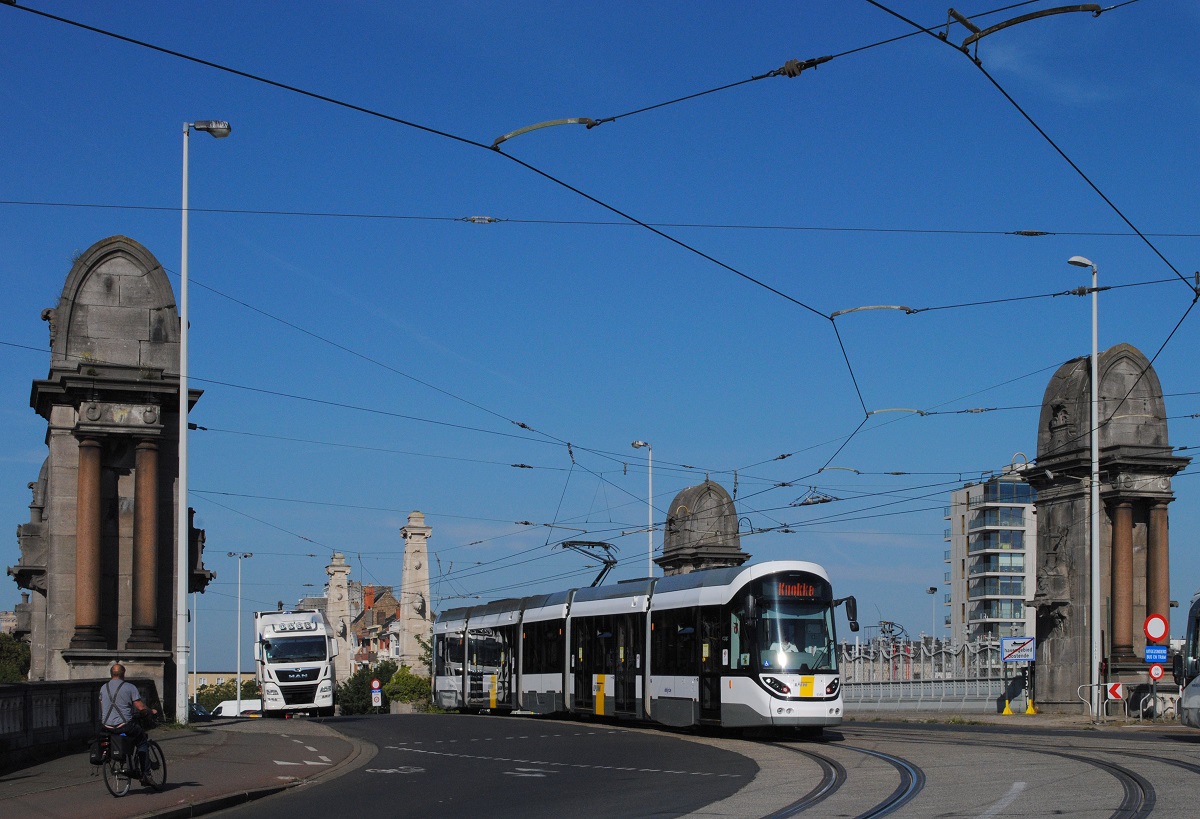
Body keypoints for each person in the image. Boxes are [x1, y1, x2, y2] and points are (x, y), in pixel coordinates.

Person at [99, 663, 158, 781]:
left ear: (111, 674)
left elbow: (102, 706)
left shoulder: (103, 688)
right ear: (123, 674)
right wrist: (151, 711)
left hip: (106, 726)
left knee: (124, 737)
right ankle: (146, 774)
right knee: (142, 741)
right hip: (123, 725)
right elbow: (140, 707)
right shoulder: (129, 687)